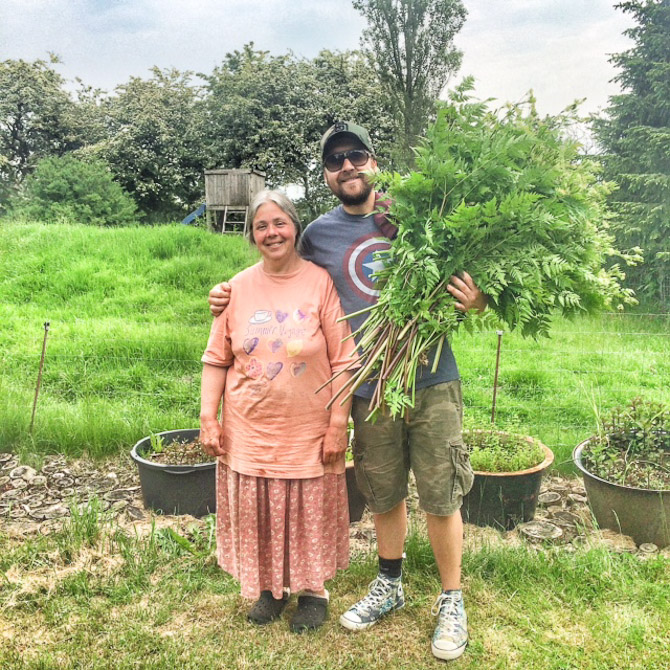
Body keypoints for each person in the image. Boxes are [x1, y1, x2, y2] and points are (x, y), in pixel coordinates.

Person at [208, 122, 487, 661]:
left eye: (356, 155)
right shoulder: (317, 234)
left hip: (430, 377)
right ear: (328, 176)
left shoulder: (420, 219)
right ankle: (390, 582)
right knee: (382, 492)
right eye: (335, 161)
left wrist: (476, 301)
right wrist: (226, 292)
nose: (348, 167)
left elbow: (474, 288)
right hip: (365, 387)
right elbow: (282, 274)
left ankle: (452, 599)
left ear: (374, 161)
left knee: (440, 490)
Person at [200, 189, 358, 633]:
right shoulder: (236, 288)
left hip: (307, 427)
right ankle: (272, 589)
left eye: (279, 223)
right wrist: (208, 417)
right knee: (262, 511)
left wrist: (337, 423)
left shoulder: (318, 282)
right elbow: (216, 358)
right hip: (249, 427)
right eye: (261, 226)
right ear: (252, 236)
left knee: (306, 509)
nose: (271, 233)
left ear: (295, 227)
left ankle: (313, 591)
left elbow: (345, 358)